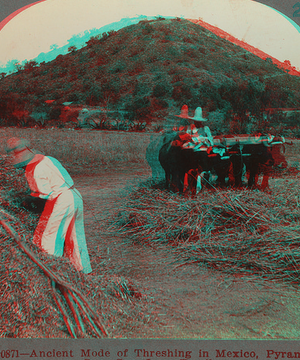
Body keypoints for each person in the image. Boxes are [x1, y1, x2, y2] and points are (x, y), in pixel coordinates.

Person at [5, 137, 92, 274]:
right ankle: (83, 271)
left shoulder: (33, 170)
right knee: (75, 237)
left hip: (61, 200)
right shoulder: (50, 159)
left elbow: (42, 197)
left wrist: (23, 202)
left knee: (49, 237)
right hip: (75, 195)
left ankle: (53, 270)